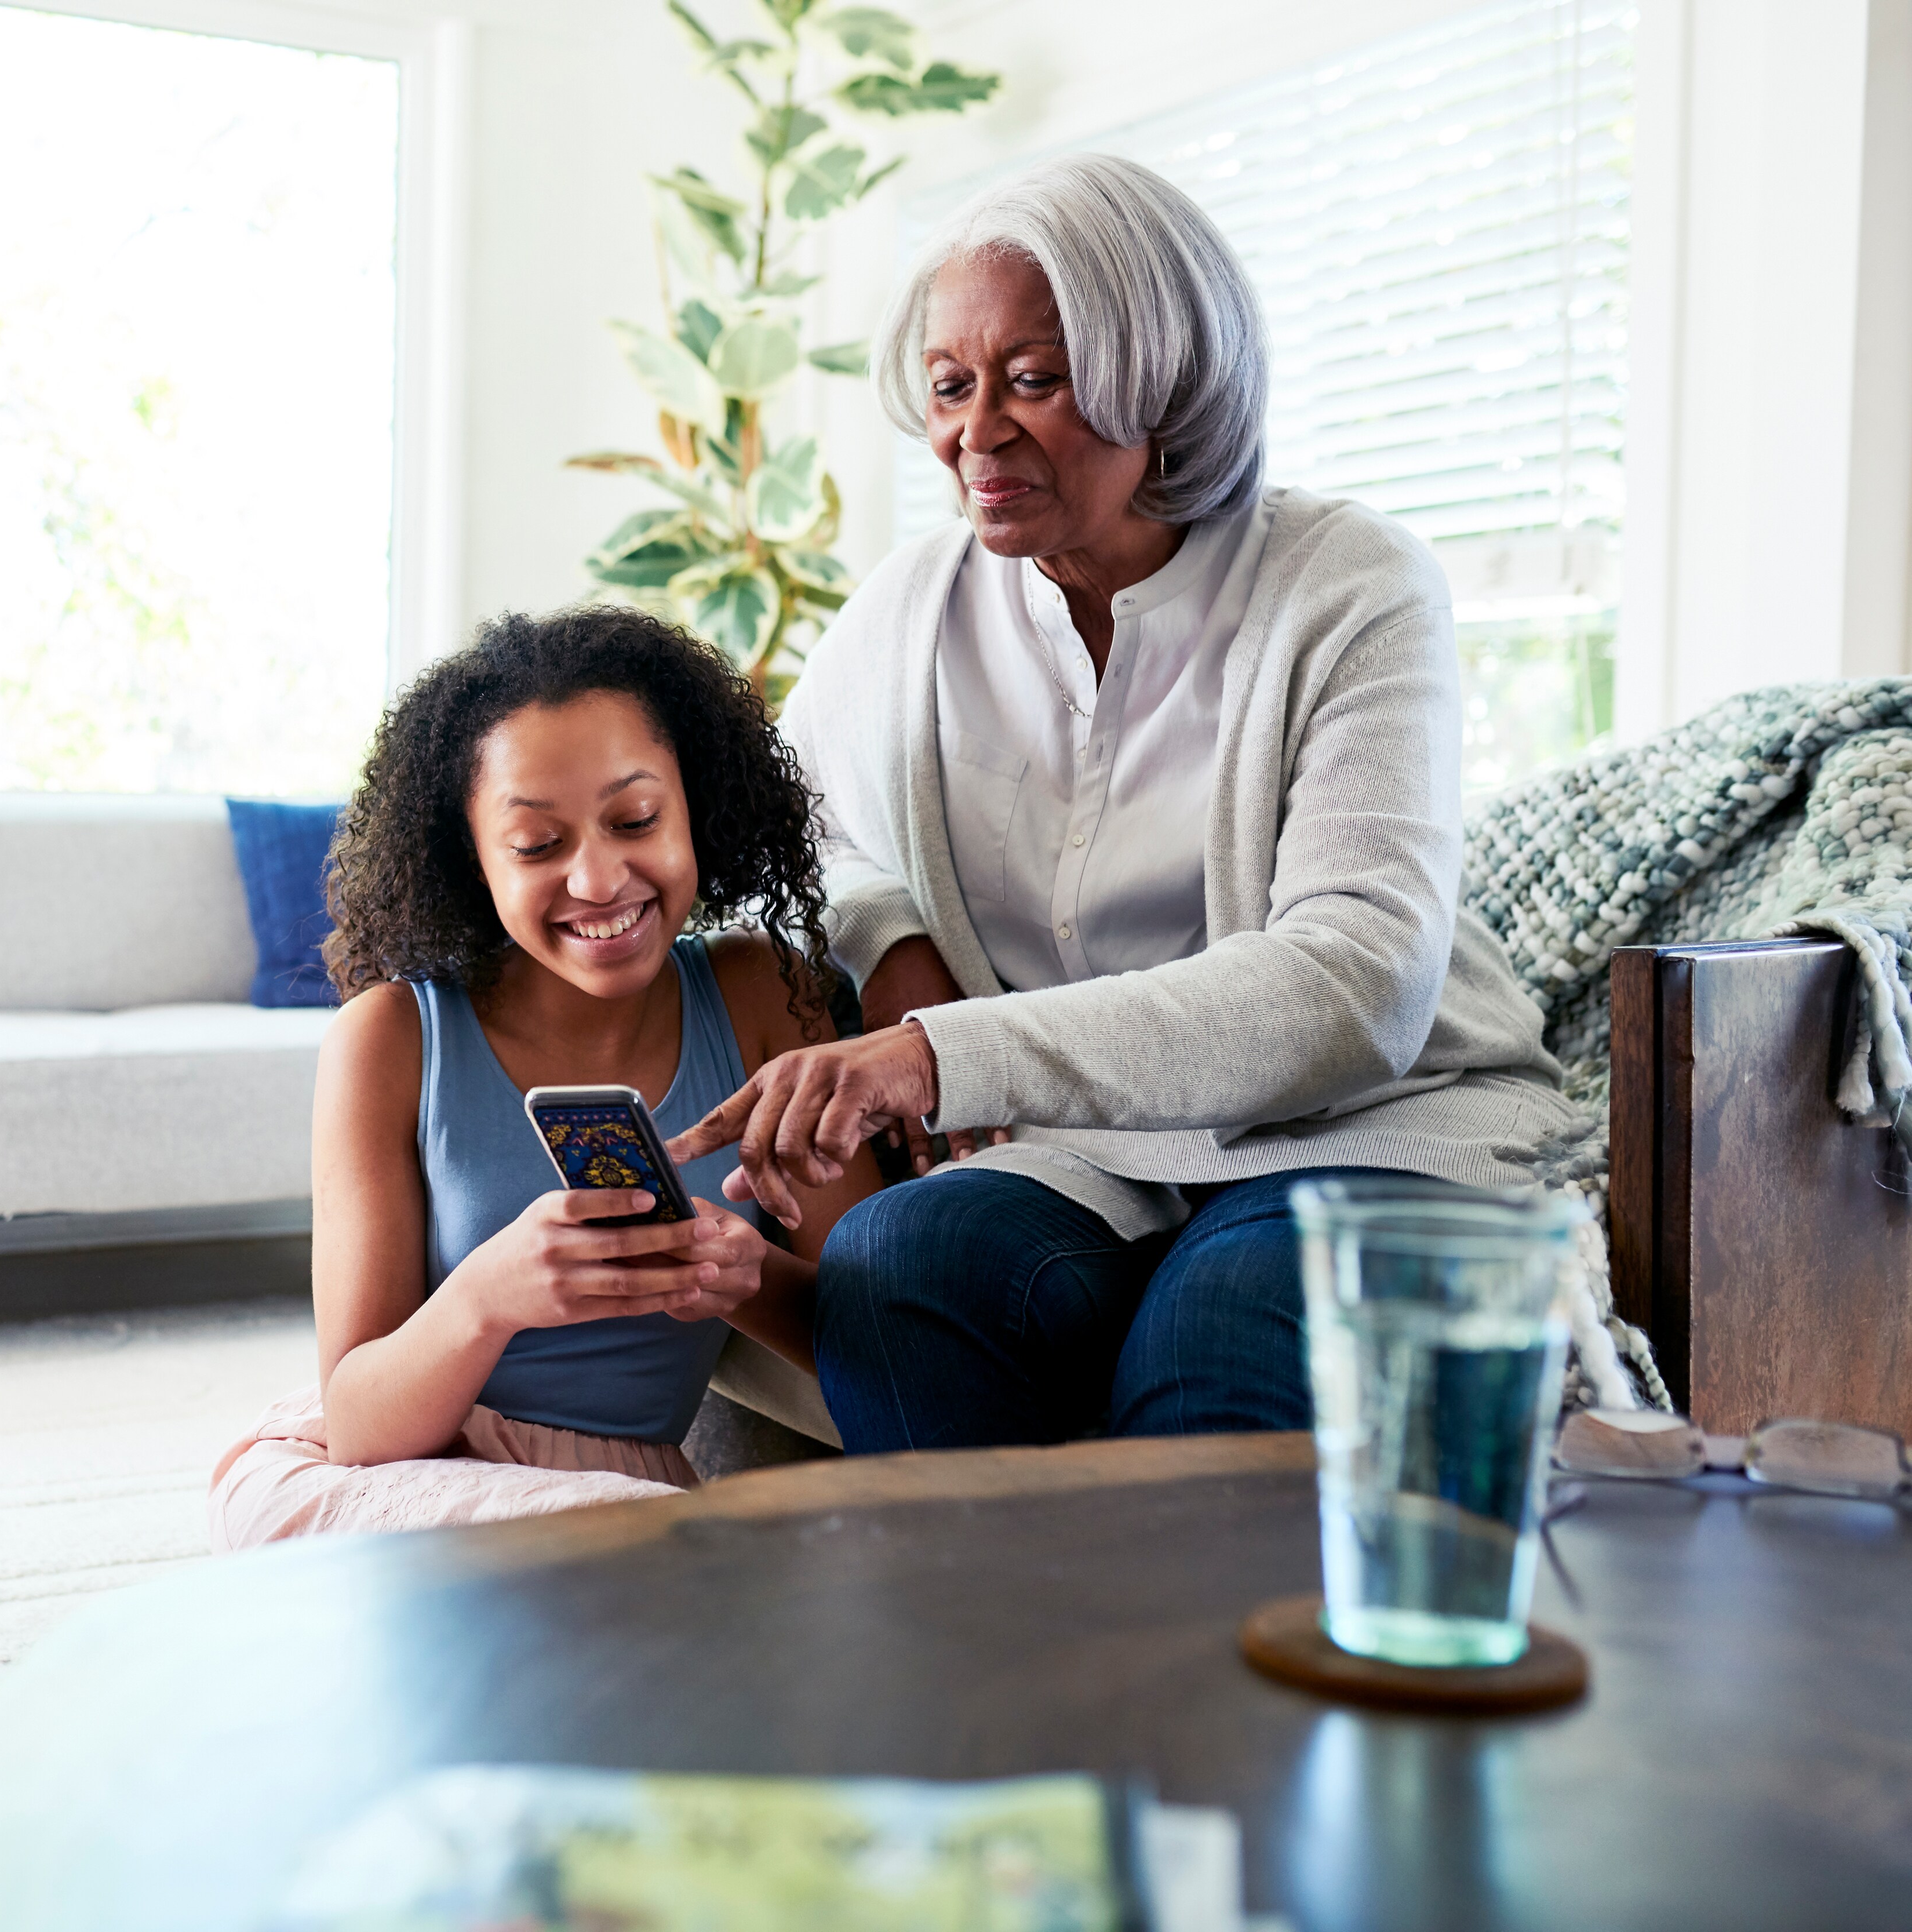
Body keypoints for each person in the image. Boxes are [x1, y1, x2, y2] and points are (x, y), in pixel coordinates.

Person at [668, 153, 1577, 1454]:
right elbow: (790, 835)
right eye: (949, 385)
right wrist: (890, 943)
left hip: (1367, 1126)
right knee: (897, 1273)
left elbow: (1354, 985)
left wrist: (941, 1055)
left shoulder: (1349, 586)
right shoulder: (914, 609)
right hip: (1085, 1146)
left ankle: (1183, 1667)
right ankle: (997, 1656)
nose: (975, 432)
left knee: (1217, 1337)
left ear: (1163, 375)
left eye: (1033, 380)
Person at [209, 607, 883, 1548]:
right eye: (537, 845)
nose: (600, 878)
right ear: (473, 861)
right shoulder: (393, 1037)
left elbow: (887, 1339)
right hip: (394, 1486)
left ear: (695, 805)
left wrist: (743, 1274)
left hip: (619, 1507)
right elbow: (361, 1422)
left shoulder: (762, 993)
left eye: (636, 819)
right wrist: (493, 1295)